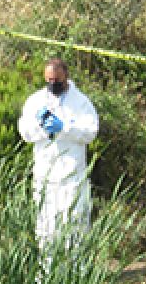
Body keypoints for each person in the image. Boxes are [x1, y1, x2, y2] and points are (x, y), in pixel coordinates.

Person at [17, 58, 100, 249]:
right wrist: (43, 127)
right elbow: (25, 132)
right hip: (45, 177)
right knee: (45, 230)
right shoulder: (36, 100)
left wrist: (64, 128)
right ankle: (47, 276)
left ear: (67, 77)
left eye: (57, 81)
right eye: (49, 81)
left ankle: (76, 275)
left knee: (75, 228)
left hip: (72, 178)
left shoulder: (81, 102)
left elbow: (90, 132)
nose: (52, 85)